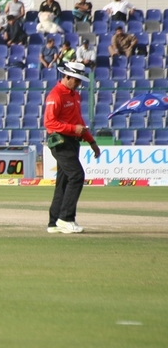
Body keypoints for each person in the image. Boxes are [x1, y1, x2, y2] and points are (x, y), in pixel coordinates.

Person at [44, 62, 100, 233]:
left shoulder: (75, 96)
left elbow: (79, 120)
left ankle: (54, 222)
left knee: (64, 180)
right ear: (66, 76)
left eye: (80, 81)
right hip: (60, 141)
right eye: (76, 80)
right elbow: (49, 123)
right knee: (76, 176)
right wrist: (72, 129)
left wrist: (91, 141)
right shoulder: (56, 95)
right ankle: (66, 218)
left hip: (73, 141)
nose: (78, 84)